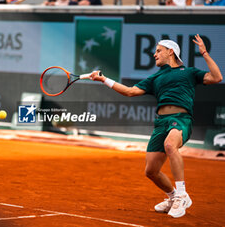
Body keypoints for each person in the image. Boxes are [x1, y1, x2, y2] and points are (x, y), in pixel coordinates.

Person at [90, 35, 222, 218]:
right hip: (161, 123)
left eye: (158, 50)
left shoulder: (189, 72)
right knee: (151, 171)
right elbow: (130, 92)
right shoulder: (155, 77)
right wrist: (104, 79)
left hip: (181, 118)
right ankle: (172, 196)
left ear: (171, 52)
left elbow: (216, 77)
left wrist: (205, 54)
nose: (154, 54)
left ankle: (182, 195)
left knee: (170, 145)